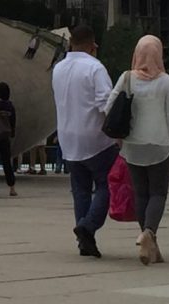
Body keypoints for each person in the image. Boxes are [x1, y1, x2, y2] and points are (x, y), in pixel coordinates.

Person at [104, 35, 169, 265]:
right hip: (159, 144)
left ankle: (150, 245)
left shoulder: (127, 77)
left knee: (140, 193)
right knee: (158, 193)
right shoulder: (167, 81)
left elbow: (109, 106)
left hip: (132, 144)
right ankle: (149, 233)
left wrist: (119, 136)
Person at [52, 24, 118, 258]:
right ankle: (88, 226)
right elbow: (105, 104)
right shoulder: (95, 67)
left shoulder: (58, 69)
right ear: (93, 45)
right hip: (95, 137)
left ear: (71, 42)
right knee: (107, 184)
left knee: (80, 190)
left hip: (68, 138)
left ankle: (84, 240)